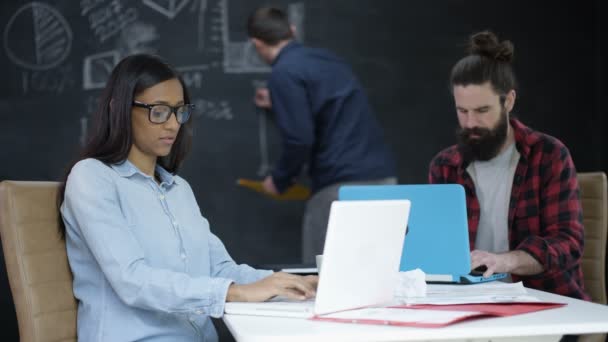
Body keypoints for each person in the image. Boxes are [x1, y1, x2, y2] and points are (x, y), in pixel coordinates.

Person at [58, 54, 317, 341]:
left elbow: (218, 268)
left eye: (179, 111)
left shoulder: (178, 188)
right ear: (118, 109)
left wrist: (287, 284)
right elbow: (132, 280)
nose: (172, 125)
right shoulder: (92, 177)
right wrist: (237, 292)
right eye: (158, 111)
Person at [429, 31, 589, 300]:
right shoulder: (444, 166)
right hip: (468, 301)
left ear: (509, 101)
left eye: (482, 111)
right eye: (462, 111)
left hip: (544, 300)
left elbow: (568, 243)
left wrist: (507, 261)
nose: (470, 124)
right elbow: (437, 249)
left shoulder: (548, 155)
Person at [247, 7, 397, 263]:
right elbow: (328, 102)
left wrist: (280, 179)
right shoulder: (328, 60)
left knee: (325, 278)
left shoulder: (284, 73)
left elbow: (300, 139)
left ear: (257, 43)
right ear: (291, 31)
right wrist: (282, 101)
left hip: (339, 190)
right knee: (379, 273)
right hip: (384, 182)